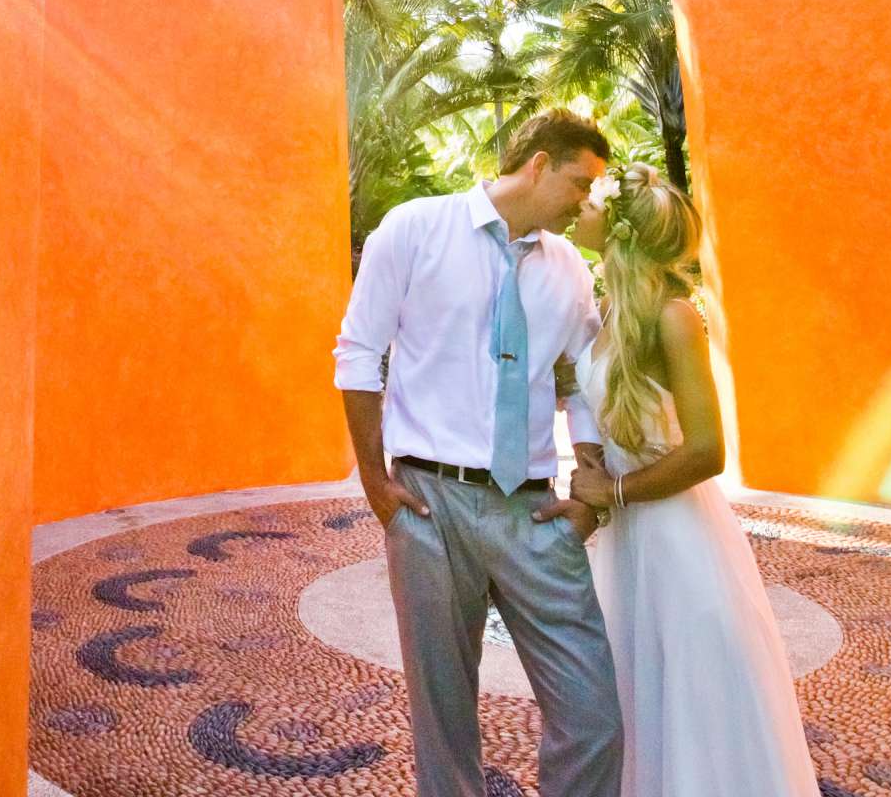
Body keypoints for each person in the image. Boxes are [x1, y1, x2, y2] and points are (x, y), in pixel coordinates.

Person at [335, 109, 623, 797]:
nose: (586, 203)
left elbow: (585, 379)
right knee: (444, 717)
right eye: (579, 184)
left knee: (594, 715)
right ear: (537, 165)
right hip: (429, 503)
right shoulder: (413, 228)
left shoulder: (569, 271)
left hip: (532, 509)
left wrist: (586, 479)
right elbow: (357, 353)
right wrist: (377, 485)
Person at [534, 163, 820, 797]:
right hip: (631, 537)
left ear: (618, 228)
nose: (580, 205)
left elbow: (708, 450)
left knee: (693, 695)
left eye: (592, 201)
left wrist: (612, 493)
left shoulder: (674, 316)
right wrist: (590, 471)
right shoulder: (608, 311)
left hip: (679, 536)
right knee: (639, 692)